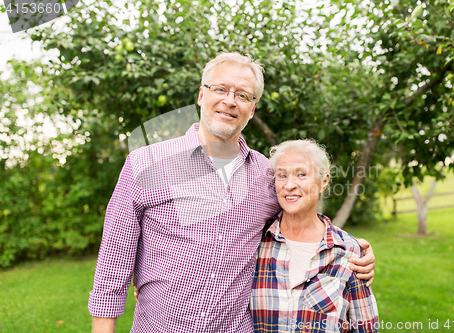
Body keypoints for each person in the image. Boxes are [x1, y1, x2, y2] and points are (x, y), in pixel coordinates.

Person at [89, 52, 375, 333]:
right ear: (202, 95)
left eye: (243, 95)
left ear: (252, 110)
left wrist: (349, 250)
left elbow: (298, 219)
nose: (229, 101)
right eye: (221, 89)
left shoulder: (267, 174)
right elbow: (112, 265)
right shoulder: (145, 163)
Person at [251, 140, 379, 332]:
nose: (290, 185)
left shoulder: (348, 252)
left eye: (302, 174)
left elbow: (366, 328)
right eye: (282, 175)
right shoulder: (255, 243)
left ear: (324, 181)